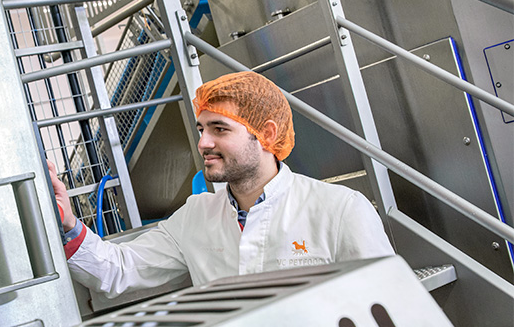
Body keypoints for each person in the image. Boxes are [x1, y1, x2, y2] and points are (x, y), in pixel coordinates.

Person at [48, 71, 394, 297]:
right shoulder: (196, 216)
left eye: (220, 129)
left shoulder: (339, 210)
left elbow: (387, 305)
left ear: (266, 134)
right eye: (202, 129)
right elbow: (118, 270)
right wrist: (68, 224)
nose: (203, 143)